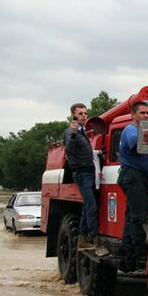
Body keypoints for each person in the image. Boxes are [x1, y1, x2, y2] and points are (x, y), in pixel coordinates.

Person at [65, 103, 109, 257]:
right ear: (73, 115)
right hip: (82, 173)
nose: (84, 115)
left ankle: (82, 239)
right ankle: (97, 242)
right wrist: (75, 132)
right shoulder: (71, 132)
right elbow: (69, 150)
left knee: (86, 206)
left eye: (85, 113)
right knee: (92, 207)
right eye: (81, 113)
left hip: (88, 172)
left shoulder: (83, 132)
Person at [117, 100, 148, 270]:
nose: (146, 116)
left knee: (130, 216)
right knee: (137, 217)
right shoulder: (130, 130)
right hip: (133, 176)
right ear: (133, 114)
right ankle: (140, 258)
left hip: (134, 175)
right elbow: (137, 144)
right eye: (143, 113)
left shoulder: (140, 130)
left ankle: (127, 258)